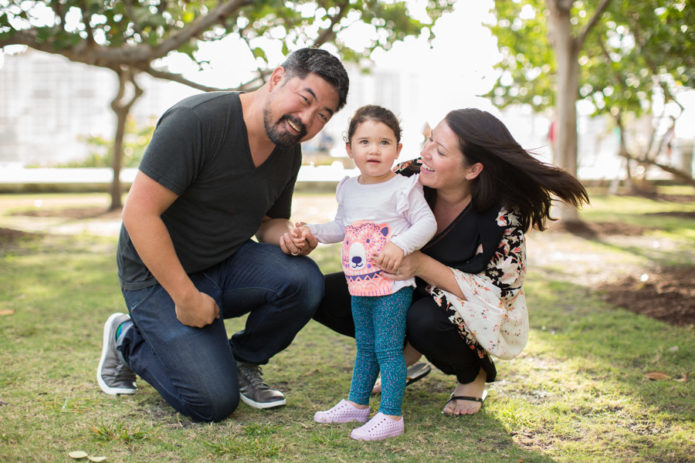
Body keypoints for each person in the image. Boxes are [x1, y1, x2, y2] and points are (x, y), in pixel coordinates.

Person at [96, 48, 349, 423]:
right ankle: (127, 337)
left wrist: (291, 237)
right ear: (277, 78)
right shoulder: (196, 121)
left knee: (303, 278)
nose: (306, 120)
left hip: (224, 264)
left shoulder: (286, 151)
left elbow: (268, 222)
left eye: (321, 116)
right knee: (211, 402)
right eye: (305, 99)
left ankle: (243, 360)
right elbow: (139, 214)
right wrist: (184, 297)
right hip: (157, 277)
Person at [313, 108, 589, 416]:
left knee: (424, 320)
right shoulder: (408, 176)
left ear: (472, 170)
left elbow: (501, 297)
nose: (425, 153)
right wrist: (312, 234)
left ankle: (473, 375)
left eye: (440, 150)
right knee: (321, 292)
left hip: (454, 308)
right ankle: (402, 352)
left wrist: (420, 265)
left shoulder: (502, 219)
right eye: (429, 140)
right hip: (401, 289)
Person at [285, 105, 436, 440]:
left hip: (393, 286)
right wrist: (313, 232)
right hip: (359, 285)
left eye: (384, 142)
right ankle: (357, 404)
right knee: (365, 346)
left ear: (398, 150)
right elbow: (341, 226)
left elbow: (427, 223)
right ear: (350, 148)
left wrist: (400, 246)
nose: (374, 149)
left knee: (387, 349)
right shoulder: (349, 188)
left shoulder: (404, 188)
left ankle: (391, 415)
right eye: (365, 141)